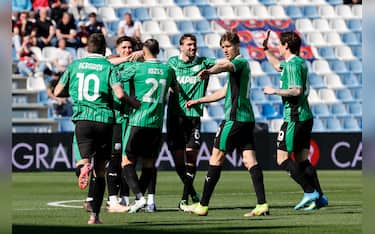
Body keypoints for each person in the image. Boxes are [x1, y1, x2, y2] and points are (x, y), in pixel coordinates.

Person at [53, 33, 140, 224]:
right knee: (100, 171)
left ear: (87, 49)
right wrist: (133, 103)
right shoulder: (108, 66)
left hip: (82, 120)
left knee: (84, 161)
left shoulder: (75, 65)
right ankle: (95, 216)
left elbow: (57, 91)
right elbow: (118, 93)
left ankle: (84, 166)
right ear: (104, 50)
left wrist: (76, 91)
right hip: (104, 120)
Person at [183, 32, 268, 217]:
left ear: (237, 45)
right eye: (223, 47)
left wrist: (209, 71)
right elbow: (223, 92)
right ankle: (262, 204)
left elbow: (225, 66)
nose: (225, 50)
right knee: (249, 160)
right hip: (246, 120)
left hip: (234, 119)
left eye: (228, 46)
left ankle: (203, 205)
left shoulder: (239, 62)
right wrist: (199, 101)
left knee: (216, 158)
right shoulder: (239, 69)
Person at [262, 31, 327, 210]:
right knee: (301, 160)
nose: (278, 48)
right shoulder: (298, 63)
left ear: (286, 46)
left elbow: (296, 90)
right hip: (305, 116)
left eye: (279, 45)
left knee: (282, 159)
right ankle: (320, 197)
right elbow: (277, 66)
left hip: (294, 117)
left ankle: (309, 191)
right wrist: (266, 50)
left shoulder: (292, 66)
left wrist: (273, 90)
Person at [119, 38, 177, 213]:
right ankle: (147, 201)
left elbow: (116, 76)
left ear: (144, 51)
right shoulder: (168, 69)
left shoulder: (137, 67)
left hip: (138, 120)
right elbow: (176, 90)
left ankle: (139, 197)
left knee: (126, 161)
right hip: (157, 123)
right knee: (149, 164)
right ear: (158, 51)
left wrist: (131, 58)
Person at [166, 33, 218, 209]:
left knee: (191, 157)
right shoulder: (172, 63)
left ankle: (183, 199)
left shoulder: (203, 62)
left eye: (194, 45)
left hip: (194, 117)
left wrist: (210, 72)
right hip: (174, 117)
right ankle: (192, 192)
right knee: (179, 161)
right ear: (181, 46)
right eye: (189, 45)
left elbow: (225, 64)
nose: (192, 48)